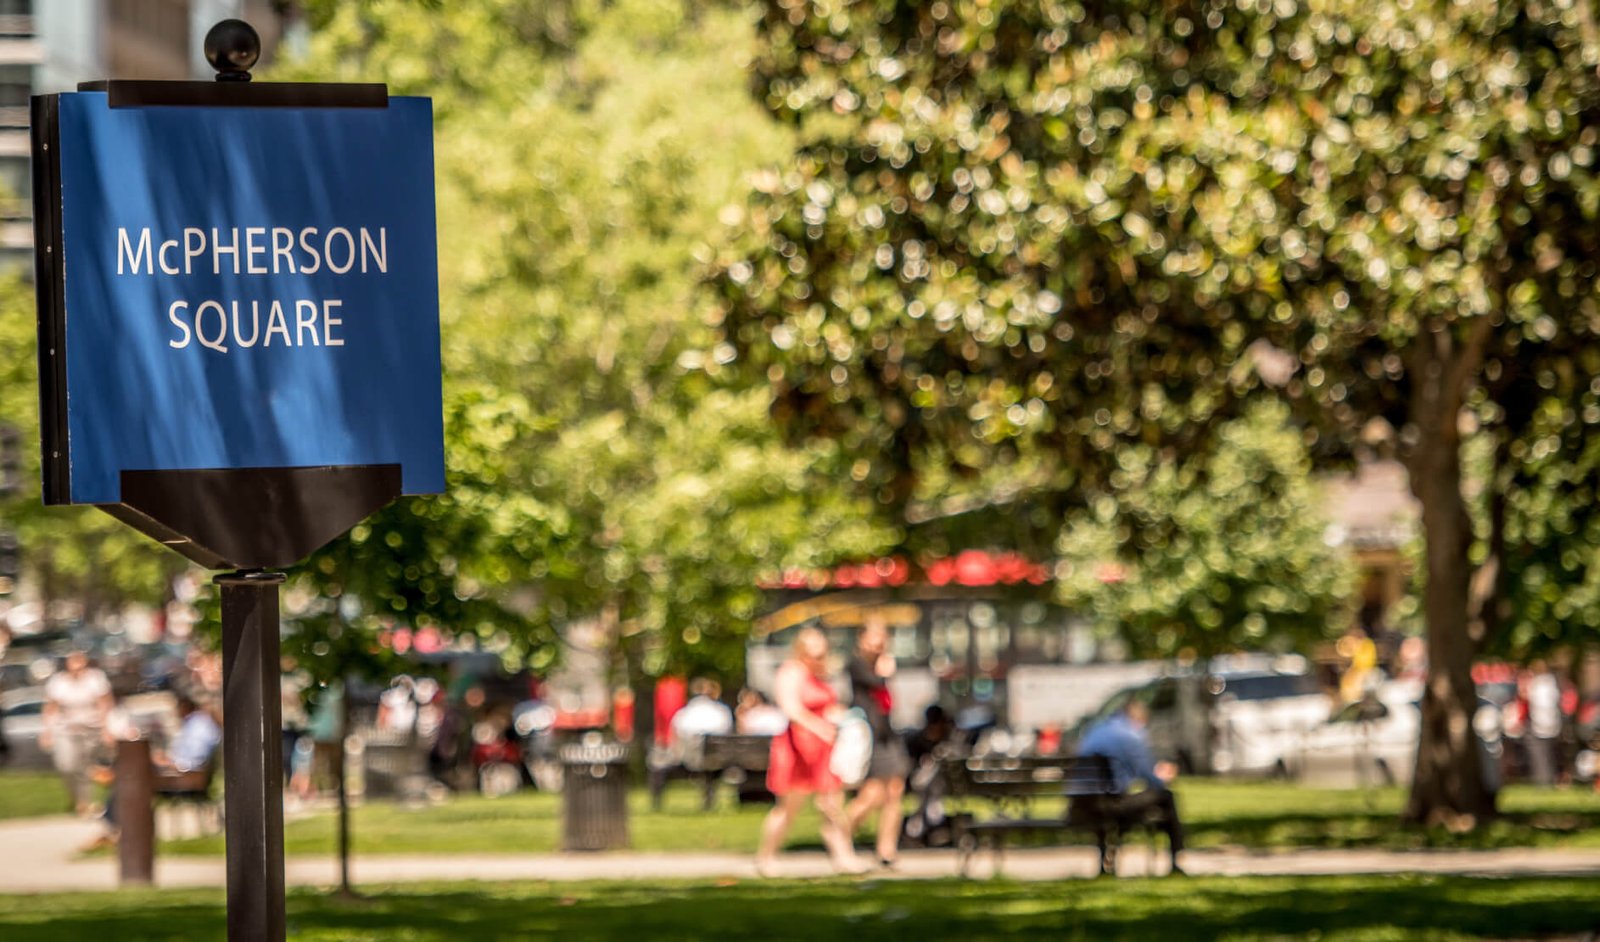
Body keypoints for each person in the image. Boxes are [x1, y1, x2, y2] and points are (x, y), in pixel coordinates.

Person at [756, 627, 865, 875]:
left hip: (823, 750)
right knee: (788, 807)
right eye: (814, 654)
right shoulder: (791, 672)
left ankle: (844, 858)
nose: (819, 658)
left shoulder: (820, 675)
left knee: (832, 806)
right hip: (797, 748)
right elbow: (791, 709)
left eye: (822, 653)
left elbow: (827, 706)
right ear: (801, 651)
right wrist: (819, 727)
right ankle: (767, 858)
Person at [1076, 700, 1185, 875]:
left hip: (1083, 804)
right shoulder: (1130, 736)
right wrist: (1163, 775)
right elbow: (1150, 778)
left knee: (1118, 801)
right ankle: (1176, 857)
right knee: (1166, 796)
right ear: (1137, 719)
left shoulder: (1095, 730)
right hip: (1113, 805)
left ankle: (1107, 862)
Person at [844, 619, 911, 868]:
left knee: (895, 790)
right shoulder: (857, 664)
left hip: (887, 734)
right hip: (868, 735)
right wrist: (883, 671)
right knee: (872, 794)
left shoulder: (882, 665)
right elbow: (875, 684)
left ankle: (887, 850)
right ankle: (840, 835)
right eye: (873, 638)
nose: (878, 644)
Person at [42, 650, 113, 816]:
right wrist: (47, 731)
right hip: (66, 729)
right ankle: (76, 798)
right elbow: (51, 707)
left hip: (90, 729)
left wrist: (106, 729)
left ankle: (84, 803)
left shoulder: (95, 679)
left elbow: (104, 703)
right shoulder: (58, 682)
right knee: (66, 765)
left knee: (85, 767)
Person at [1526, 660, 1563, 786]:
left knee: (1542, 754)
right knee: (1549, 754)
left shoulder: (1538, 684)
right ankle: (1548, 778)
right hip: (1550, 722)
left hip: (1541, 722)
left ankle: (1544, 779)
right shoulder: (1553, 682)